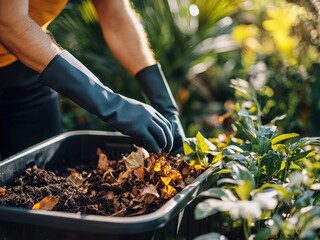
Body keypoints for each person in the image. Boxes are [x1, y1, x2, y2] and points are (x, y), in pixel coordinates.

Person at [0, 0, 185, 160]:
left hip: (28, 65)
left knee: (35, 183)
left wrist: (165, 104)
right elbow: (8, 21)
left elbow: (116, 18)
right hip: (19, 42)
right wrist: (112, 104)